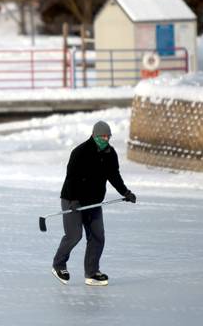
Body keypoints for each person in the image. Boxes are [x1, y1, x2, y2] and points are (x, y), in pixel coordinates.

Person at [52, 120, 136, 286]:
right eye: (102, 136)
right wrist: (74, 200)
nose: (105, 139)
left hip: (93, 202)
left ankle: (91, 273)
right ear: (94, 135)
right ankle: (59, 264)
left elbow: (114, 176)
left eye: (108, 136)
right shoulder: (80, 152)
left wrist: (125, 192)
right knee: (74, 235)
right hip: (72, 199)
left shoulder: (110, 154)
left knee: (98, 237)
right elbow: (71, 178)